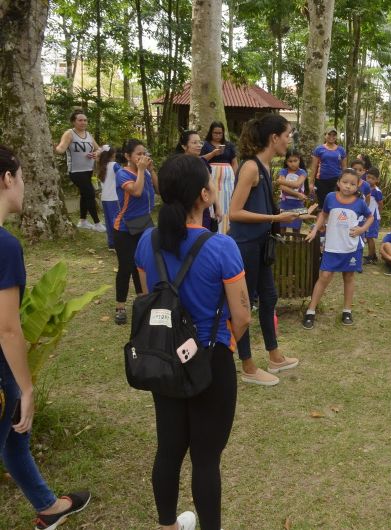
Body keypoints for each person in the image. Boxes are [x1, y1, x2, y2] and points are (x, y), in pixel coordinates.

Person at [134, 154, 251, 530]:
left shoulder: (145, 244)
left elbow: (149, 299)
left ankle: (167, 524)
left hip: (162, 358)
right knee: (205, 459)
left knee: (168, 450)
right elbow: (243, 315)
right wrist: (221, 345)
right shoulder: (222, 248)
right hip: (210, 361)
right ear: (203, 195)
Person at [0, 145, 92, 530]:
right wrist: (26, 387)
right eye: (21, 177)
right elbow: (7, 328)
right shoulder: (5, 246)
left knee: (14, 436)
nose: (23, 186)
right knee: (15, 419)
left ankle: (49, 506)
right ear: (7, 179)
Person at [229, 114, 301, 386]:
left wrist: (283, 215)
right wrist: (274, 220)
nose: (289, 139)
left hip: (262, 245)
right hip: (245, 246)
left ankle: (275, 356)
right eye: (288, 134)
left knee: (269, 297)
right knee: (243, 306)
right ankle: (247, 365)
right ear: (274, 138)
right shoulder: (250, 167)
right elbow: (234, 213)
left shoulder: (264, 167)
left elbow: (259, 207)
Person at [303, 169, 373, 329]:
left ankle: (347, 311)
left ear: (357, 186)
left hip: (351, 247)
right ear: (338, 183)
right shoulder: (330, 197)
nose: (348, 186)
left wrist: (362, 230)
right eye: (345, 182)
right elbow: (323, 214)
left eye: (352, 184)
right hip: (332, 246)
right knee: (325, 276)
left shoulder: (360, 202)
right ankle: (311, 311)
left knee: (348, 276)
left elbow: (370, 217)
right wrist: (315, 230)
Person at [113, 139, 157, 325]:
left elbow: (157, 188)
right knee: (126, 266)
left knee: (143, 264)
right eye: (138, 154)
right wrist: (141, 170)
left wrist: (151, 170)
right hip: (124, 227)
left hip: (145, 224)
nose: (142, 157)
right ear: (127, 156)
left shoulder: (145, 172)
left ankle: (143, 300)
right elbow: (137, 192)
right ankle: (120, 306)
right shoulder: (122, 174)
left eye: (143, 153)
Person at [54, 109, 104, 231]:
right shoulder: (69, 134)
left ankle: (83, 221)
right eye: (80, 120)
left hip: (88, 170)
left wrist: (95, 153)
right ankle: (97, 224)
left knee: (84, 194)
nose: (83, 122)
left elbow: (99, 149)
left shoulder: (89, 135)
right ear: (73, 122)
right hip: (76, 171)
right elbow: (61, 148)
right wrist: (54, 148)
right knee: (90, 194)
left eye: (85, 120)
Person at [177, 130, 221, 231]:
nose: (199, 145)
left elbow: (211, 185)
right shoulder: (179, 165)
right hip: (184, 208)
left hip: (202, 208)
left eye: (200, 142)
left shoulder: (202, 162)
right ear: (184, 146)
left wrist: (217, 206)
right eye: (194, 143)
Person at [201, 121, 238, 234]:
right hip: (212, 177)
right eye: (215, 133)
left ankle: (226, 230)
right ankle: (213, 229)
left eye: (220, 133)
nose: (217, 135)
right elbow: (200, 160)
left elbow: (234, 163)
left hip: (227, 180)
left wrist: (236, 179)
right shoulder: (205, 145)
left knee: (227, 202)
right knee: (213, 200)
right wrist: (213, 154)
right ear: (211, 133)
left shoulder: (229, 145)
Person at [310, 128, 347, 206]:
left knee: (335, 203)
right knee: (322, 204)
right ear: (325, 135)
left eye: (334, 135)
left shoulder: (341, 150)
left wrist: (345, 182)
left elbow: (344, 168)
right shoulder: (319, 149)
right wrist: (311, 183)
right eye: (329, 134)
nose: (331, 136)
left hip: (336, 181)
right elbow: (313, 167)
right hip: (321, 181)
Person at [277, 150, 308, 234]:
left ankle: (296, 246)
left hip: (298, 203)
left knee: (297, 228)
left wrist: (282, 182)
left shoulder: (302, 172)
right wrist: (297, 194)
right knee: (282, 227)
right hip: (285, 202)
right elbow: (282, 188)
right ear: (286, 162)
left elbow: (297, 184)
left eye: (295, 161)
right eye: (290, 161)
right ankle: (282, 246)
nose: (293, 163)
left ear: (299, 160)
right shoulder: (283, 171)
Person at [98, 145, 121, 250]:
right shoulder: (114, 165)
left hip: (105, 198)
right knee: (116, 221)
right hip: (114, 197)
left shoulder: (101, 166)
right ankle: (117, 243)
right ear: (112, 154)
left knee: (108, 221)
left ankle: (111, 244)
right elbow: (122, 176)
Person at [362, 168, 383, 265]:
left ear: (377, 180)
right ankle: (373, 255)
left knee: (370, 237)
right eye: (368, 177)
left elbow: (380, 204)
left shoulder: (377, 191)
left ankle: (371, 257)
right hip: (366, 216)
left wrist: (379, 215)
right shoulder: (365, 188)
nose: (369, 180)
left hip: (373, 217)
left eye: (372, 178)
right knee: (367, 236)